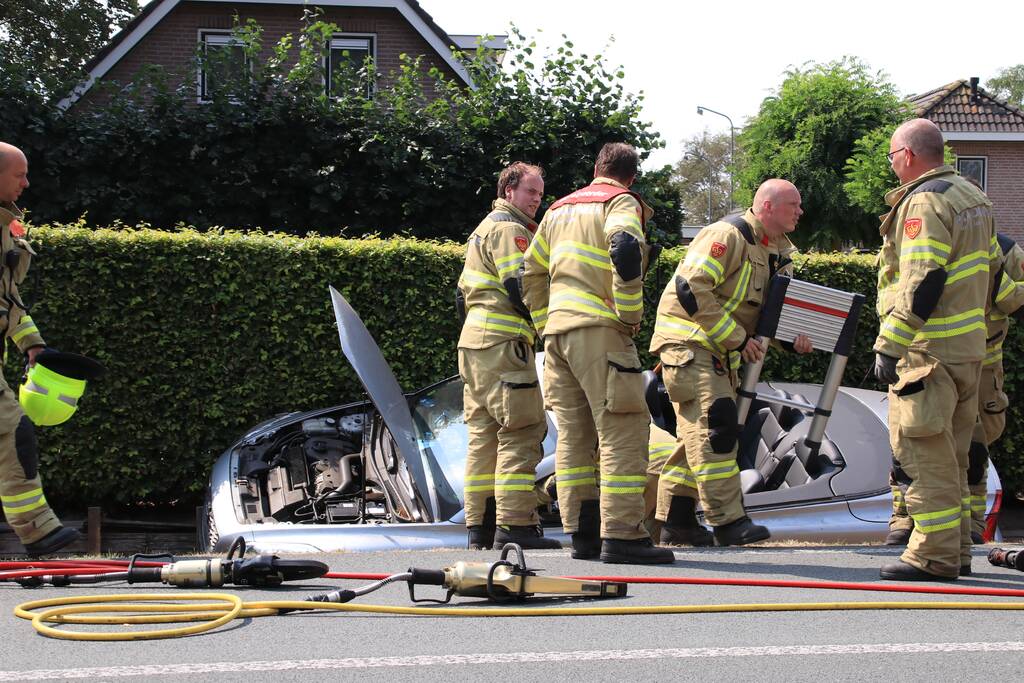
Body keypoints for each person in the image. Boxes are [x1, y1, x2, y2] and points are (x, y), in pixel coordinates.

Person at [521, 142, 673, 564]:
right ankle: (623, 535)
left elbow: (526, 274)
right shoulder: (619, 201)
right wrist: (629, 315)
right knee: (623, 432)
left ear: (595, 168)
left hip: (557, 337)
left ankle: (582, 536)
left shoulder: (556, 210)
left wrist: (543, 323)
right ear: (632, 176)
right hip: (601, 334)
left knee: (573, 438)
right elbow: (625, 247)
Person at [649, 179, 812, 547]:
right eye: (793, 204)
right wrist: (737, 339)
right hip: (689, 345)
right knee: (715, 430)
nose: (800, 211)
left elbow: (770, 316)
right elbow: (691, 287)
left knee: (696, 437)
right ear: (767, 206)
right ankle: (728, 521)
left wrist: (792, 341)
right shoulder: (728, 234)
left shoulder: (779, 256)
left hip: (715, 351)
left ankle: (678, 522)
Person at [874, 118, 1002, 581]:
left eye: (891, 156)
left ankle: (932, 556)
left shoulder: (925, 202)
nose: (891, 164)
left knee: (924, 454)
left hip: (928, 352)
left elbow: (922, 279)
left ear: (907, 155)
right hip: (970, 351)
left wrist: (891, 344)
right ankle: (958, 552)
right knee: (953, 454)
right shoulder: (975, 198)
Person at [886, 232, 1024, 548]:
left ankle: (971, 524)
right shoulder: (918, 239)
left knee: (972, 450)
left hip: (981, 364)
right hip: (921, 358)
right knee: (908, 442)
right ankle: (904, 519)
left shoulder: (1003, 250)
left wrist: (1002, 286)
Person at [456, 162, 559, 550]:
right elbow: (520, 286)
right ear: (509, 190)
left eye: (539, 192)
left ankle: (479, 528)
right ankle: (516, 525)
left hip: (475, 344)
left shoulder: (483, 227)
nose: (538, 199)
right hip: (503, 344)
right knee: (523, 429)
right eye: (531, 191)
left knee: (483, 437)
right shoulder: (509, 229)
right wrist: (551, 328)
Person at [0, 141, 81, 556]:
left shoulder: (5, 229)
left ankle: (38, 533)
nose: (27, 183)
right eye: (20, 174)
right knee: (14, 431)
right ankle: (37, 532)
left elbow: (7, 301)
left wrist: (32, 345)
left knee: (14, 432)